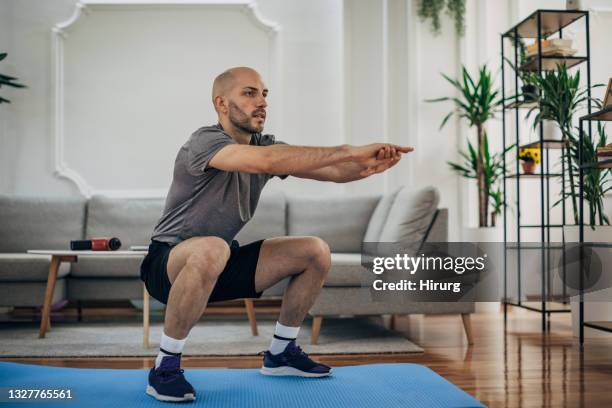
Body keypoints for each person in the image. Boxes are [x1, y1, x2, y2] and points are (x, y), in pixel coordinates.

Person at [140, 66, 414, 402]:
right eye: (250, 93)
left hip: (221, 259)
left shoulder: (265, 145)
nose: (262, 102)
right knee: (211, 248)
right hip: (169, 264)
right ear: (221, 104)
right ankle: (165, 365)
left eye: (264, 94)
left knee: (314, 250)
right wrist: (349, 149)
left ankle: (281, 353)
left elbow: (330, 170)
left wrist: (369, 166)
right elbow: (266, 161)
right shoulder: (205, 141)